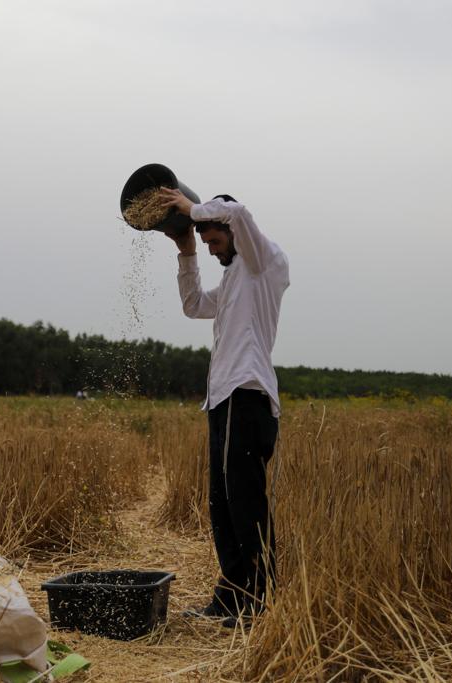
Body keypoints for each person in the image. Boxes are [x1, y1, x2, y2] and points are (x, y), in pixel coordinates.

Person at [158, 186, 289, 628]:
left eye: (214, 241)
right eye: (208, 245)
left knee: (245, 500)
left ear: (231, 229)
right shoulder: (234, 278)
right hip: (222, 399)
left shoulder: (264, 263)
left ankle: (261, 600)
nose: (213, 251)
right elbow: (193, 305)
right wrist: (186, 249)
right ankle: (233, 596)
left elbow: (240, 211)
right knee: (221, 502)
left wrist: (191, 206)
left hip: (246, 395)